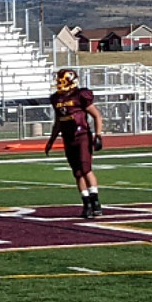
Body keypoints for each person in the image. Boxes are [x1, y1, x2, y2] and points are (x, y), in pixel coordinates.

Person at [46, 68, 105, 217]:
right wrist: (51, 141)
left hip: (82, 136)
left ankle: (95, 202)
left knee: (86, 169)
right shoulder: (56, 99)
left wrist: (98, 135)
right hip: (68, 138)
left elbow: (97, 115)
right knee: (77, 173)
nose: (59, 84)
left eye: (62, 81)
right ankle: (86, 204)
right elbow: (58, 122)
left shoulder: (80, 96)